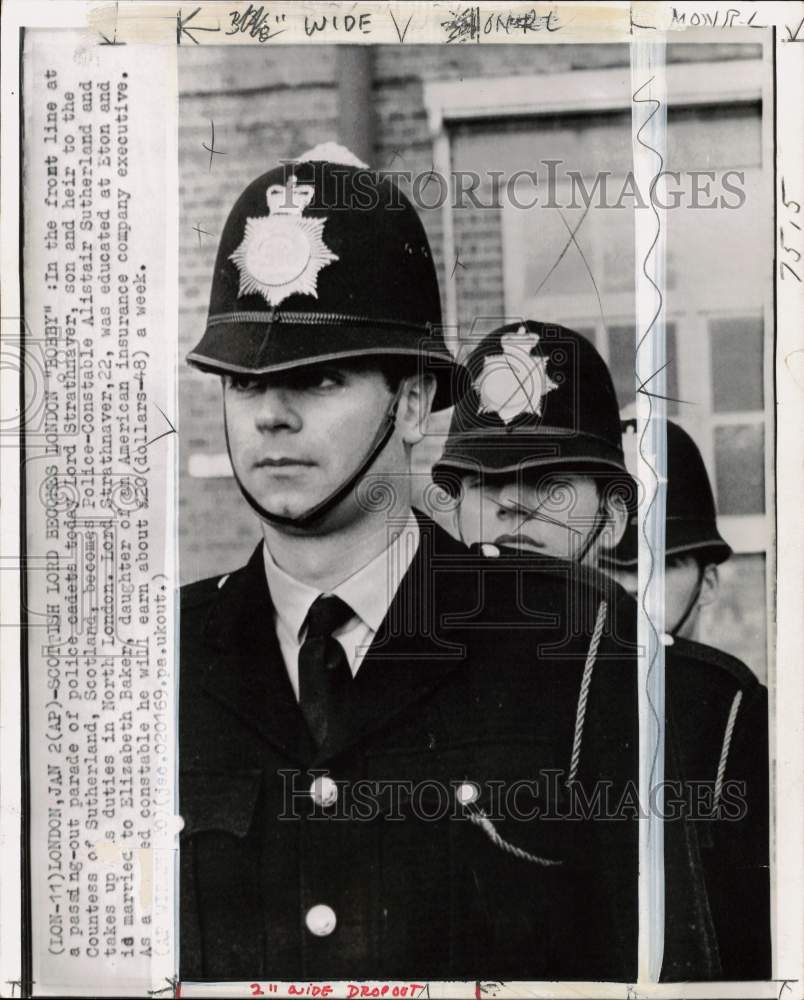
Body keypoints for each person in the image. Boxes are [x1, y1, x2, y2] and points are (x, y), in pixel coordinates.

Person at [180, 148, 645, 982]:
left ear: (415, 402)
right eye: (244, 385)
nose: (272, 417)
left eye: (318, 378)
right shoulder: (155, 661)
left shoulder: (577, 643)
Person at [431, 326, 771, 979]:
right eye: (482, 479)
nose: (512, 503)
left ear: (611, 520)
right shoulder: (382, 673)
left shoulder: (707, 709)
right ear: (455, 508)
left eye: (549, 480)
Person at [604, 418, 731, 641]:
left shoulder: (736, 678)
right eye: (603, 564)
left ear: (707, 583)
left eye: (659, 563)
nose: (629, 585)